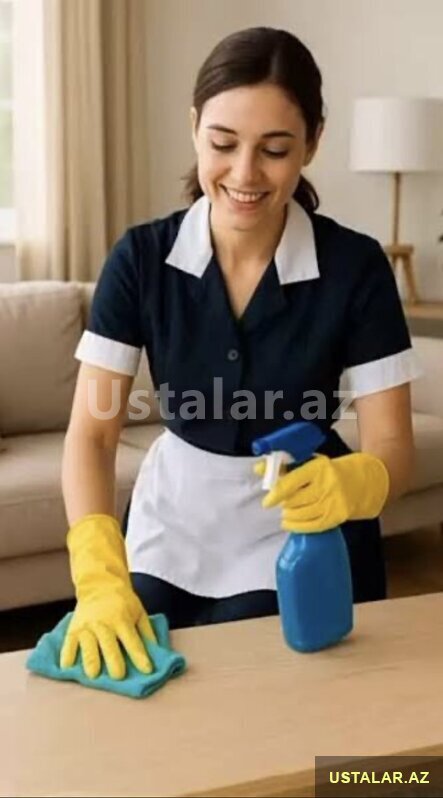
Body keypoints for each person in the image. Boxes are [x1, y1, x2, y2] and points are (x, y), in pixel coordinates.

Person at [60, 27, 422, 680]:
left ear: (312, 142)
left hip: (299, 525)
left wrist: (357, 482)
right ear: (195, 128)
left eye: (275, 150)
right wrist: (97, 571)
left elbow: (392, 444)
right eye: (223, 144)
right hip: (174, 518)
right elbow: (92, 432)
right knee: (123, 668)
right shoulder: (141, 259)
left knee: (256, 683)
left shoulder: (355, 268)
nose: (245, 174)